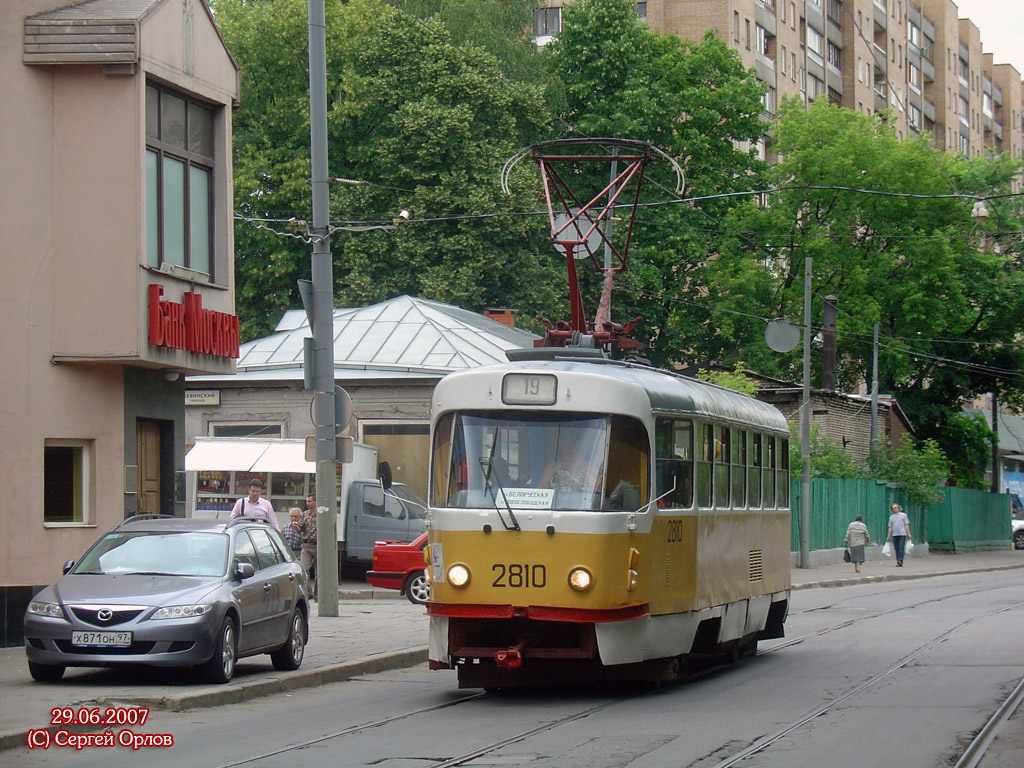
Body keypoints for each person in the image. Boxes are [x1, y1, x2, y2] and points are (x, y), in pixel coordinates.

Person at [300, 493, 318, 601]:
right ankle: (308, 592)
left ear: (315, 502)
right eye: (306, 501)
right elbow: (300, 530)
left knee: (319, 573)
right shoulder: (304, 514)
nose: (307, 503)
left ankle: (318, 596)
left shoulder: (321, 514)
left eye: (309, 501)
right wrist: (296, 527)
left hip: (318, 545)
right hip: (306, 545)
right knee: (304, 569)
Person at [886, 503, 912, 567]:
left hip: (902, 534)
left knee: (901, 547)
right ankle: (898, 560)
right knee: (896, 548)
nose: (895, 509)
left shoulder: (903, 515)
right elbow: (890, 527)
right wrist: (888, 536)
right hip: (895, 535)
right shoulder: (891, 517)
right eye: (893, 508)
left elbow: (906, 525)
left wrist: (908, 534)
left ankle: (900, 560)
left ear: (899, 508)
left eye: (896, 508)